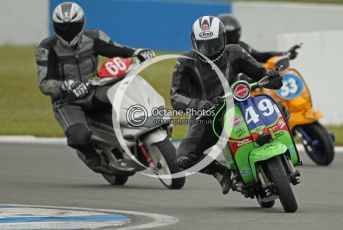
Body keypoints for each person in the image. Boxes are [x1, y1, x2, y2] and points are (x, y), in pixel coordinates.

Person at [35, 2, 155, 173]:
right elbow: (45, 83)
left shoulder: (95, 37)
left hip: (93, 90)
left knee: (123, 94)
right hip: (67, 102)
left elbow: (117, 49)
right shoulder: (46, 48)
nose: (68, 31)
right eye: (63, 27)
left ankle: (143, 131)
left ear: (82, 23)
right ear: (55, 27)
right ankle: (94, 158)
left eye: (73, 26)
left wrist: (137, 52)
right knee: (79, 136)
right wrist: (66, 86)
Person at [170, 16, 282, 194]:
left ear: (223, 39)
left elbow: (260, 72)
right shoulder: (185, 62)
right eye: (203, 44)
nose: (208, 50)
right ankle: (221, 172)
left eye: (213, 44)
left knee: (278, 110)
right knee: (183, 158)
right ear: (194, 42)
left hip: (241, 106)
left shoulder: (235, 51)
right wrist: (198, 104)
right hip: (207, 118)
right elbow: (176, 96)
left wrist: (272, 78)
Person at [218, 14, 299, 63]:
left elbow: (260, 56)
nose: (229, 41)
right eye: (226, 37)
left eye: (232, 37)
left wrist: (284, 54)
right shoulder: (209, 49)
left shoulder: (241, 47)